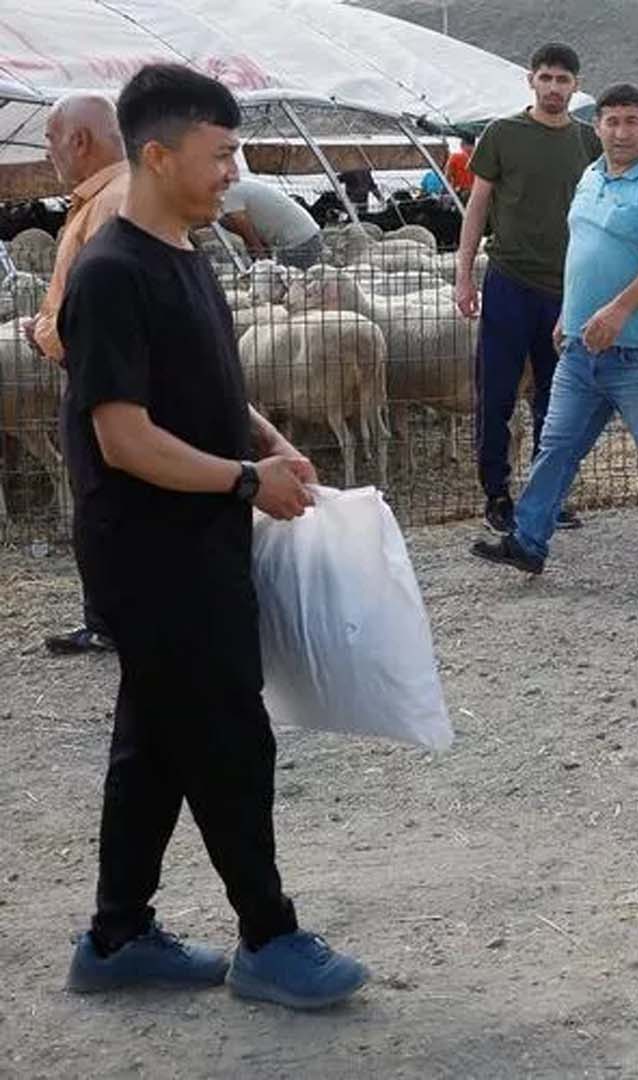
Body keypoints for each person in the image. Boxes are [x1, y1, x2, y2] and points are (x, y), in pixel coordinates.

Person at [58, 63, 366, 1007]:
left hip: (197, 533)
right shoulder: (111, 273)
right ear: (157, 154)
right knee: (229, 736)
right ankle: (269, 938)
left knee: (154, 742)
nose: (234, 172)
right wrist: (244, 480)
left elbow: (205, 390)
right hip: (152, 549)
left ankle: (116, 940)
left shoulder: (189, 255)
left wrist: (268, 440)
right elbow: (124, 435)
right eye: (221, 154)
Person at [470, 83, 638, 586]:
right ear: (597, 127)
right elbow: (583, 252)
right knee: (556, 446)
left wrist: (619, 311)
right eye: (611, 122)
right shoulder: (590, 177)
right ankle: (529, 542)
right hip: (580, 346)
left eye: (631, 121)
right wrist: (567, 318)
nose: (621, 132)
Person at [455, 42, 601, 534]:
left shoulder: (588, 141)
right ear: (531, 81)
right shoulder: (502, 134)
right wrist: (464, 274)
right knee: (495, 392)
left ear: (576, 85)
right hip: (509, 282)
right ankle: (496, 494)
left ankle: (546, 496)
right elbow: (477, 206)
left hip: (567, 289)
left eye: (563, 80)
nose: (554, 88)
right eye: (546, 78)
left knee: (557, 398)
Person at [21, 93, 129, 656]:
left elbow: (102, 307)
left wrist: (47, 333)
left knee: (99, 495)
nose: (48, 150)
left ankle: (113, 619)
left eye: (49, 138)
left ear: (79, 141)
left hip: (101, 377)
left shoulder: (112, 205)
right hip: (94, 368)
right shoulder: (104, 199)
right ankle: (113, 614)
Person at [218, 176, 323, 269]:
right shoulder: (237, 187)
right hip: (307, 237)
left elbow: (248, 233)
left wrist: (263, 263)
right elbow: (249, 235)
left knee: (282, 288)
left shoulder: (228, 192)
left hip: (299, 243)